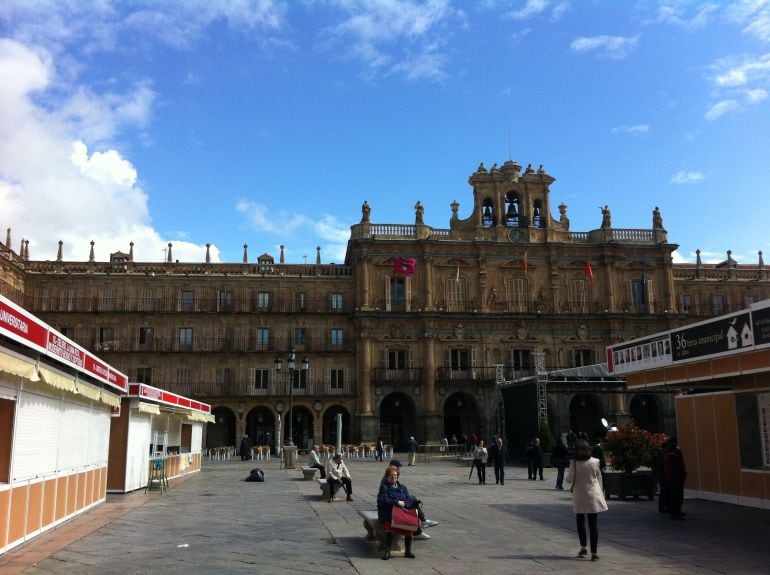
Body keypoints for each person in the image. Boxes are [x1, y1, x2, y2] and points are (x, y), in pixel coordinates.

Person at [566, 439, 608, 561]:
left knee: (580, 521)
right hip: (593, 493)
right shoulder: (595, 461)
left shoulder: (574, 463)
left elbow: (569, 479)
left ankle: (583, 547)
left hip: (580, 494)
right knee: (593, 523)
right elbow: (598, 477)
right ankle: (594, 552)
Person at [383, 460, 437, 539]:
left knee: (413, 501)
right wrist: (401, 501)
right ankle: (420, 527)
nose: (399, 469)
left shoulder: (392, 477)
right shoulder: (387, 480)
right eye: (398, 467)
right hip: (391, 507)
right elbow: (389, 497)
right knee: (412, 504)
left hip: (395, 503)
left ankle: (421, 525)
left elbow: (399, 491)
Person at [377, 464, 416, 560]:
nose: (393, 477)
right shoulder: (384, 487)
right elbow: (383, 501)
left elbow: (409, 499)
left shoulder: (403, 487)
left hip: (402, 513)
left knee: (409, 526)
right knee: (389, 526)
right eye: (391, 475)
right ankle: (387, 551)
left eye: (395, 475)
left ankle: (408, 550)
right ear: (387, 476)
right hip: (388, 513)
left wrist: (405, 504)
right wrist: (397, 502)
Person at [663, 436, 687, 520]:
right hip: (675, 479)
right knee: (676, 496)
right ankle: (675, 513)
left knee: (676, 496)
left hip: (675, 478)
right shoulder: (672, 455)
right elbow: (672, 469)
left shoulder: (670, 454)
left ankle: (676, 512)